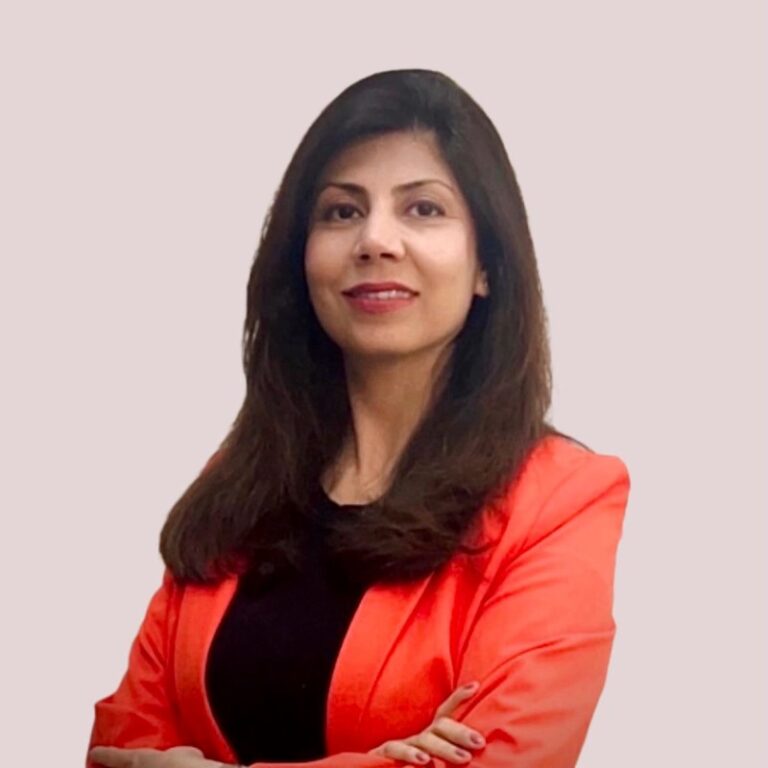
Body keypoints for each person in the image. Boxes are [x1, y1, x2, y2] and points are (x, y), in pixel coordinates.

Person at [86, 69, 631, 768]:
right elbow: (119, 745)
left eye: (423, 209)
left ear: (486, 265)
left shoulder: (560, 499)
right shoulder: (240, 484)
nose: (375, 240)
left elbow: (503, 759)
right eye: (342, 212)